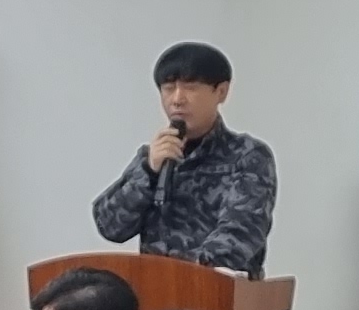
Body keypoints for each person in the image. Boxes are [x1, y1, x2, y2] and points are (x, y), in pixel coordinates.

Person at [89, 42, 275, 278]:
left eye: (191, 87)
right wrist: (148, 171)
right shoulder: (154, 156)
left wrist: (185, 273)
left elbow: (242, 231)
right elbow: (109, 226)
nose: (177, 99)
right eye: (168, 88)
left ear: (221, 92)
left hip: (216, 291)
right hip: (155, 292)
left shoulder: (247, 155)